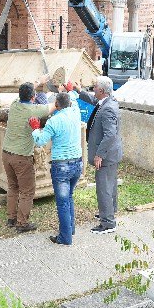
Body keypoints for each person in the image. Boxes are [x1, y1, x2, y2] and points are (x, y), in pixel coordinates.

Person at [30, 89, 83, 245]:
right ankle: (70, 228)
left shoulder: (54, 121)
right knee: (69, 197)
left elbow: (40, 141)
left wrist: (35, 128)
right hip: (77, 163)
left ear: (57, 105)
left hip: (62, 166)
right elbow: (74, 96)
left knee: (63, 202)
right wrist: (69, 89)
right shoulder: (75, 112)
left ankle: (65, 237)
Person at [2, 78, 54, 233]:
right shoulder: (34, 110)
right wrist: (66, 91)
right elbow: (55, 106)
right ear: (33, 97)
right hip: (21, 158)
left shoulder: (14, 105)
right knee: (27, 191)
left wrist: (38, 82)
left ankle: (11, 218)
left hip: (6, 155)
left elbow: (26, 94)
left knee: (13, 187)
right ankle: (22, 223)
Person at [76, 76, 123, 234]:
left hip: (106, 155)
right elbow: (92, 99)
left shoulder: (108, 108)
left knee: (103, 188)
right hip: (112, 154)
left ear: (101, 90)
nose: (93, 88)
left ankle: (108, 223)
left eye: (94, 86)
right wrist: (78, 91)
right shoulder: (108, 101)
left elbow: (110, 135)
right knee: (111, 185)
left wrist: (99, 155)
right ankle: (110, 211)